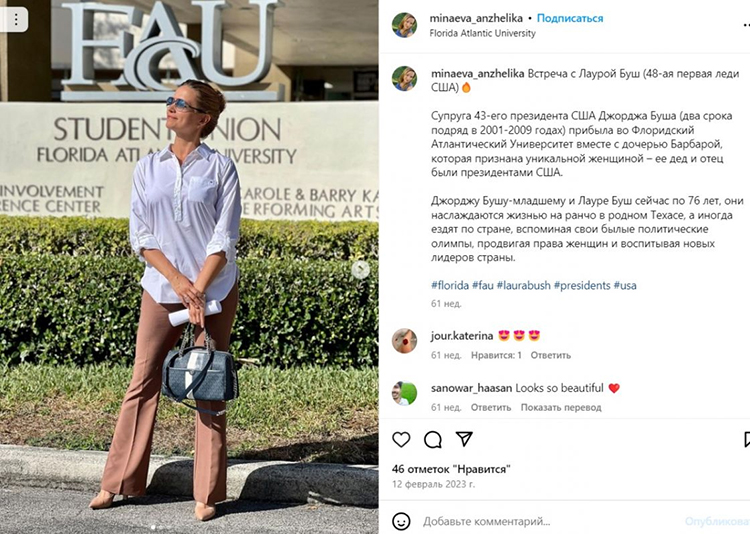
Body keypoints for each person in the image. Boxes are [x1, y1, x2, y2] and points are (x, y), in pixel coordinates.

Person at [88, 79, 242, 522]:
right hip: (161, 289)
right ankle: (116, 482)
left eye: (180, 103)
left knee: (208, 384)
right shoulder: (148, 167)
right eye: (170, 100)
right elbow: (141, 235)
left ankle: (207, 493)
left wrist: (199, 288)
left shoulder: (220, 168)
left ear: (203, 118)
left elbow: (225, 237)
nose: (170, 106)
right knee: (142, 379)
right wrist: (180, 284)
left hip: (215, 291)